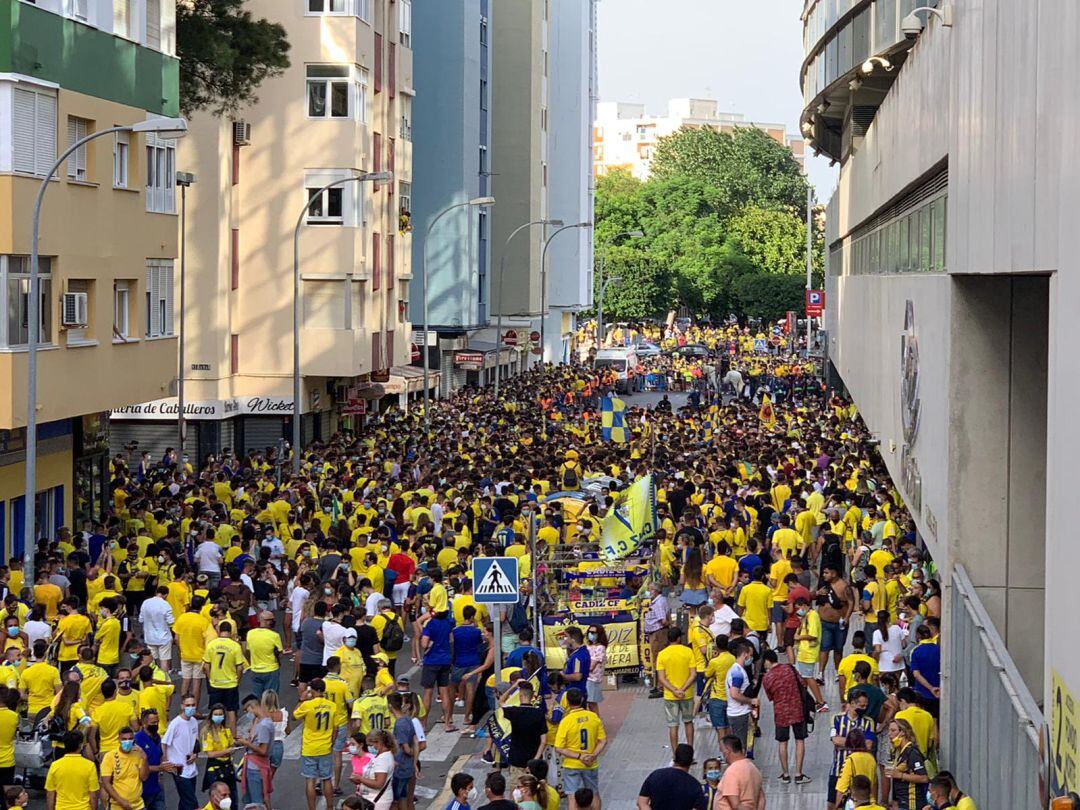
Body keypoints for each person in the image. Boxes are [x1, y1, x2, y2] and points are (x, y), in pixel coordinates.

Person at [760, 648, 811, 784]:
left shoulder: (767, 677)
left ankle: (786, 774)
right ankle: (799, 774)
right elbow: (803, 684)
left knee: (783, 742)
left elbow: (770, 697)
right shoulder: (790, 669)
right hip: (797, 709)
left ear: (767, 661)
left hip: (781, 712)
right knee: (800, 740)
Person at [553, 688, 607, 807]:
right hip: (591, 763)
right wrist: (592, 755)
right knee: (594, 793)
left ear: (567, 702)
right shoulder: (593, 717)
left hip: (572, 764)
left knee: (572, 796)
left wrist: (579, 756)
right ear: (582, 699)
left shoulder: (566, 721)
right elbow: (603, 740)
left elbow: (559, 747)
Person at [294, 678, 336, 810]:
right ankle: (330, 807)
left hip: (310, 747)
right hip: (325, 747)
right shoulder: (332, 705)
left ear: (315, 690)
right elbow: (336, 729)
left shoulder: (308, 705)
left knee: (310, 780)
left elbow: (294, 716)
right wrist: (331, 744)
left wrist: (302, 699)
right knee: (327, 779)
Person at [655, 626, 697, 751]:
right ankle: (690, 751)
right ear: (679, 638)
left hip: (670, 696)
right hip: (687, 694)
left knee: (673, 725)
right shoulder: (688, 652)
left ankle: (675, 753)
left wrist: (674, 690)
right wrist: (682, 689)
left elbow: (661, 679)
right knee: (688, 722)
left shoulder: (662, 654)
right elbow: (693, 674)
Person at [202, 620, 247, 735]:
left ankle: (213, 735)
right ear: (230, 631)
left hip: (215, 682)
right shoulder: (235, 646)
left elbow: (206, 666)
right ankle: (232, 736)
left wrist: (210, 678)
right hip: (230, 683)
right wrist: (238, 679)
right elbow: (240, 667)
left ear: (219, 630)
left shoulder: (211, 644)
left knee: (214, 710)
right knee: (231, 710)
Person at [499, 680, 547, 784]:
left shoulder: (514, 711)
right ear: (532, 696)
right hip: (534, 760)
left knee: (516, 788)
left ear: (520, 696)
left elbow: (501, 701)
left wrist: (514, 686)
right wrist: (535, 759)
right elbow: (544, 741)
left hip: (516, 759)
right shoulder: (539, 714)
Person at [636, 742, 707, 809]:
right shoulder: (694, 785)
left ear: (674, 758)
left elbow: (642, 802)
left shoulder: (656, 775)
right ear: (691, 761)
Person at [45, 731, 100, 810]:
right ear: (80, 745)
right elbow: (93, 795)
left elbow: (50, 794)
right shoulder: (90, 766)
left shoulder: (55, 766)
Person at [238, 694, 275, 810]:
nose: (247, 713)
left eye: (246, 710)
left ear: (252, 707)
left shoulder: (264, 725)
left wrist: (246, 743)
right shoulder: (261, 722)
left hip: (256, 767)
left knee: (256, 803)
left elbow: (263, 750)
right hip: (255, 765)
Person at [163, 694, 199, 810]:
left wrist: (195, 755)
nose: (191, 708)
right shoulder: (175, 723)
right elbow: (164, 743)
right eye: (188, 705)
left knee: (185, 801)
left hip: (191, 768)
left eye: (193, 705)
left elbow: (195, 742)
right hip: (179, 769)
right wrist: (166, 763)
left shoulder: (194, 721)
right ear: (182, 706)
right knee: (191, 801)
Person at [101, 726, 149, 810]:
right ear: (119, 740)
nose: (127, 741)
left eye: (130, 739)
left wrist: (144, 759)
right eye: (124, 739)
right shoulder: (110, 756)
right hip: (118, 806)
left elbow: (144, 777)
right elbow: (106, 783)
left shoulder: (138, 754)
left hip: (139, 806)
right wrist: (121, 802)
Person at [884, 718, 929, 810]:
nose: (889, 734)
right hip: (901, 801)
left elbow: (924, 778)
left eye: (893, 731)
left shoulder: (912, 752)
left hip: (911, 802)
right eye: (889, 731)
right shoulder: (898, 752)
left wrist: (900, 775)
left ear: (903, 732)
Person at [133, 709, 173, 810]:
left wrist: (166, 765)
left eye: (157, 722)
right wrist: (160, 768)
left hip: (156, 787)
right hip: (142, 790)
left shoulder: (157, 737)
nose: (156, 725)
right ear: (144, 723)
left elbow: (160, 755)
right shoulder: (138, 740)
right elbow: (137, 766)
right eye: (153, 723)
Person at [724, 640, 758, 751]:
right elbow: (734, 694)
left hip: (738, 713)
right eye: (750, 655)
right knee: (741, 748)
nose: (751, 658)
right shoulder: (737, 672)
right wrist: (750, 701)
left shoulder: (736, 670)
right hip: (739, 714)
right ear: (745, 655)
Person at [717, 734, 764, 810]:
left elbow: (735, 805)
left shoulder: (732, 772)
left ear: (727, 751)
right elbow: (761, 799)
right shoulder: (753, 768)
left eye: (722, 751)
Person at [351, 729, 395, 810]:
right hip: (371, 798)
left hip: (377, 801)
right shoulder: (380, 756)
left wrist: (360, 779)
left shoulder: (383, 759)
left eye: (370, 745)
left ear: (378, 742)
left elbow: (379, 784)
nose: (369, 748)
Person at [835, 728, 877, 808]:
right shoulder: (871, 758)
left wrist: (836, 807)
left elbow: (841, 789)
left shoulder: (850, 760)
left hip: (856, 803)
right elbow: (875, 785)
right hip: (871, 803)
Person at [389, 691, 417, 810]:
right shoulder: (408, 720)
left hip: (400, 767)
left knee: (395, 800)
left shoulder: (399, 724)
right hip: (407, 766)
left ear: (390, 706)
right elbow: (415, 741)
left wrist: (410, 753)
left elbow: (405, 747)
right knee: (403, 797)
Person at [246, 610, 284, 697]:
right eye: (271, 620)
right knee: (271, 698)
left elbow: (248, 650)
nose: (273, 622)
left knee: (257, 697)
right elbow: (280, 653)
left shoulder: (250, 633)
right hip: (271, 670)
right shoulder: (274, 635)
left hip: (255, 669)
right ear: (266, 621)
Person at [138, 587, 175, 675]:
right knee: (164, 660)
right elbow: (171, 622)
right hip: (164, 637)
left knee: (151, 660)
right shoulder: (166, 604)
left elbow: (140, 619)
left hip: (149, 637)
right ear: (166, 594)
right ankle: (164, 679)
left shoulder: (146, 602)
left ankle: (150, 678)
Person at [584, 624, 607, 713]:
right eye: (589, 632)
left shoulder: (600, 648)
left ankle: (597, 723)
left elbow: (591, 667)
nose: (590, 634)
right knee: (587, 703)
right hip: (586, 678)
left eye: (593, 632)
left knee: (592, 704)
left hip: (593, 679)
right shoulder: (588, 647)